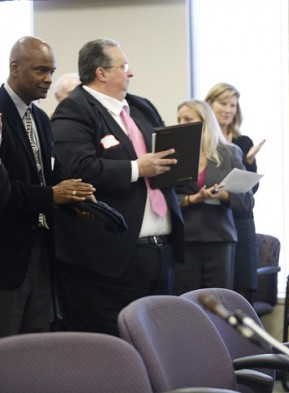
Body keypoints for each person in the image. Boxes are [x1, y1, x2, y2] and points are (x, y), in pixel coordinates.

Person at [51, 38, 184, 336]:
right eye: (124, 66)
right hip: (110, 260)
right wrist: (138, 168)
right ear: (101, 73)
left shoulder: (141, 108)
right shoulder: (74, 110)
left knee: (160, 346)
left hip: (160, 254)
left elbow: (163, 157)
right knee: (117, 349)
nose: (130, 73)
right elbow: (79, 168)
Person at [0, 36, 95, 338]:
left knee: (36, 343)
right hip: (7, 255)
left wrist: (76, 199)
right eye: (41, 70)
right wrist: (52, 195)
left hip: (42, 247)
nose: (48, 80)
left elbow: (51, 175)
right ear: (15, 68)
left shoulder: (41, 118)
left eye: (52, 71)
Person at [173, 99, 254, 293]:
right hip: (185, 238)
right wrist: (191, 199)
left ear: (204, 122)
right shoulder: (174, 154)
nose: (182, 124)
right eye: (179, 120)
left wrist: (223, 195)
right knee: (186, 302)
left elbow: (247, 201)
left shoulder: (229, 153)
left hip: (219, 237)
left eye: (188, 119)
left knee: (218, 301)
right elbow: (163, 196)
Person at [205, 83, 265, 301]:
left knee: (240, 287)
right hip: (211, 220)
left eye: (232, 105)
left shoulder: (243, 141)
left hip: (240, 219)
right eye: (223, 103)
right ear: (208, 105)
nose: (228, 110)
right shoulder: (201, 142)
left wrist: (249, 163)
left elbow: (251, 191)